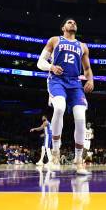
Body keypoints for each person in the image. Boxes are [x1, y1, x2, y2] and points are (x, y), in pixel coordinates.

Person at [36, 18, 94, 175]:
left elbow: (87, 68)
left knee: (81, 117)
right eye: (69, 22)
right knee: (60, 107)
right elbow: (40, 62)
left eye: (74, 22)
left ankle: (78, 160)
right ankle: (55, 155)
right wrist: (51, 67)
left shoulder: (82, 46)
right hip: (57, 81)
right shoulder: (55, 40)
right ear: (63, 27)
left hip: (75, 84)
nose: (72, 23)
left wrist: (90, 80)